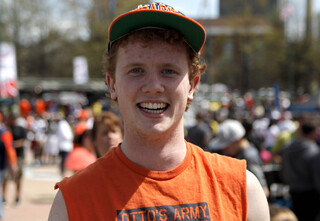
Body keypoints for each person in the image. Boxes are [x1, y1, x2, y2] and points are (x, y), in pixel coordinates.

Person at [49, 3, 269, 220]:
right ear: (112, 84)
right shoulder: (73, 202)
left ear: (192, 85)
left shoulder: (242, 190)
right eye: (136, 70)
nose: (153, 86)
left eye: (168, 71)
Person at [209, 119, 270, 197]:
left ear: (238, 140)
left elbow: (262, 189)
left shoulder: (248, 156)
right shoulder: (241, 153)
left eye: (227, 145)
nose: (224, 149)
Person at [281, 120, 320, 221]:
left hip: (293, 191)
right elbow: (317, 177)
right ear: (313, 133)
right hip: (311, 194)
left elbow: (283, 170)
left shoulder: (287, 148)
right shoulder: (314, 151)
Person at [2, 115, 27, 206]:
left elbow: (23, 141)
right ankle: (4, 198)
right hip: (7, 157)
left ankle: (17, 197)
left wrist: (11, 145)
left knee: (18, 178)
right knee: (5, 178)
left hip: (19, 156)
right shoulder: (6, 129)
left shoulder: (21, 129)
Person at [0, 113, 18, 219]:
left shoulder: (4, 133)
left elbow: (9, 150)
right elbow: (10, 150)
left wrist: (13, 164)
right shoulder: (5, 133)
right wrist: (13, 165)